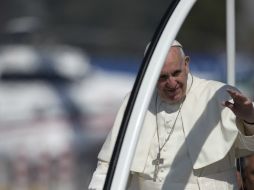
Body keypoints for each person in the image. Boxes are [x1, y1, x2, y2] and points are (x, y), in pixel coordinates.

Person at [88, 40, 254, 190]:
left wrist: (249, 119)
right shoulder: (135, 103)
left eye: (176, 73)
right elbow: (109, 166)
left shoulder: (217, 95)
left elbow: (249, 148)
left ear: (186, 64)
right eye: (162, 77)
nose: (171, 83)